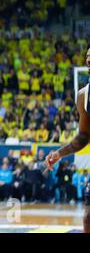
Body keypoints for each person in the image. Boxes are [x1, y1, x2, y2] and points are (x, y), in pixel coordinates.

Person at [45, 47, 90, 233]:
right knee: (88, 217)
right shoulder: (84, 95)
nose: (89, 59)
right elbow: (84, 136)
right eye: (87, 56)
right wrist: (59, 153)